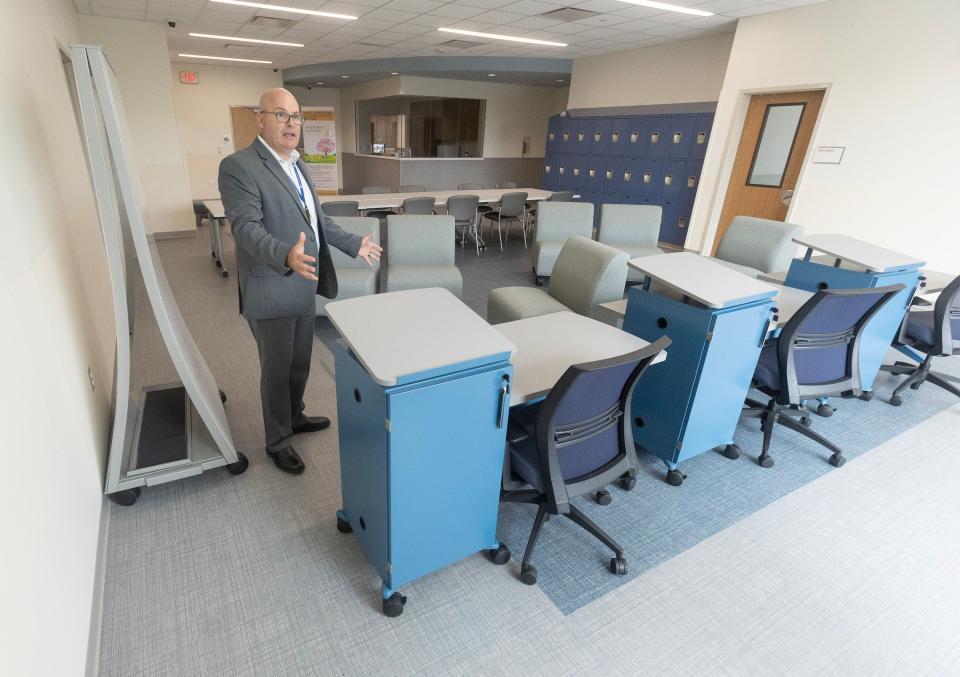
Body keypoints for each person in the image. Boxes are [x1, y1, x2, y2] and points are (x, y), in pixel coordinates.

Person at [218, 88, 381, 475]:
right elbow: (244, 228)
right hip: (272, 286)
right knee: (275, 371)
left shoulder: (298, 163)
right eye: (281, 115)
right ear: (261, 119)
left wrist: (353, 243)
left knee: (298, 364)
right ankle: (277, 440)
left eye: (296, 117)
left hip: (304, 285)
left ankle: (295, 416)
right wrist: (284, 255)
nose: (291, 124)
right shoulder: (239, 166)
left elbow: (318, 224)